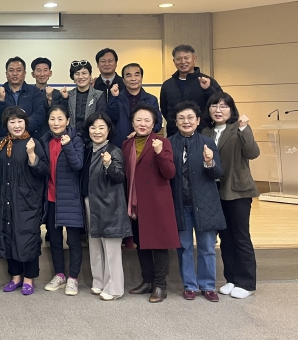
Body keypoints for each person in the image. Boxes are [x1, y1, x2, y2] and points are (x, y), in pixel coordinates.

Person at [201, 92, 260, 299]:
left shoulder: (238, 128)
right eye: (214, 105)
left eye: (224, 106)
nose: (218, 110)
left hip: (237, 190)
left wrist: (244, 128)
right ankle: (232, 279)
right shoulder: (206, 131)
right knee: (225, 237)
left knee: (241, 236)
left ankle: (247, 282)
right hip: (215, 191)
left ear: (231, 109)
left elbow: (253, 153)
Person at [122, 104, 179, 303]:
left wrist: (160, 153)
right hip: (136, 203)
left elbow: (170, 173)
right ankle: (147, 281)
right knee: (142, 243)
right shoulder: (127, 144)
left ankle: (160, 285)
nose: (143, 124)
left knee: (159, 244)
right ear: (132, 123)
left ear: (154, 123)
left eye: (147, 120)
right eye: (138, 120)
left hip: (156, 202)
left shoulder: (162, 142)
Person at [168, 101, 225, 302]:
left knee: (207, 247)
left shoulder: (207, 143)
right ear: (176, 121)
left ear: (198, 120)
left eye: (190, 117)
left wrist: (209, 162)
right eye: (181, 118)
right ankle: (190, 285)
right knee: (183, 247)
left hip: (205, 204)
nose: (186, 121)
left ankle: (208, 286)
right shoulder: (168, 143)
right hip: (180, 204)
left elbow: (218, 173)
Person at [0, 106, 48, 295]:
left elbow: (43, 171)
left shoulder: (33, 143)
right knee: (8, 235)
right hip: (5, 197)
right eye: (12, 121)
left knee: (27, 237)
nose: (16, 125)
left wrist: (32, 155)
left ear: (26, 123)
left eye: (20, 121)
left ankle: (29, 279)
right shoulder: (0, 144)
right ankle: (15, 277)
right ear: (6, 124)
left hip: (28, 200)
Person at [82, 112, 130, 301]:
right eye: (93, 127)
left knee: (111, 249)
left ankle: (115, 288)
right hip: (92, 203)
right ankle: (99, 281)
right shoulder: (88, 150)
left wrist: (109, 164)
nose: (97, 131)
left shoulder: (114, 150)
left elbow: (119, 176)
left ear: (109, 130)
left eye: (101, 127)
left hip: (110, 205)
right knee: (95, 245)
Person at [40, 105, 85, 295]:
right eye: (52, 118)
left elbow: (78, 165)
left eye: (60, 119)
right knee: (55, 239)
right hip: (50, 198)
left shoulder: (76, 140)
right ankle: (59, 274)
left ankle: (73, 278)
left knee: (73, 241)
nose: (56, 122)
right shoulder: (44, 141)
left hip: (70, 198)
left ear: (67, 121)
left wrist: (67, 146)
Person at [160, 45, 222, 136]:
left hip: (203, 133)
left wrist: (208, 89)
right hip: (174, 135)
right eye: (178, 59)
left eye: (186, 58)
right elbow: (165, 110)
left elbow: (220, 103)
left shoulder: (207, 81)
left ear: (194, 59)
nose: (183, 62)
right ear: (174, 61)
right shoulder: (167, 85)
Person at [106, 63, 162, 148]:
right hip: (119, 146)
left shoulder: (151, 99)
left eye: (137, 75)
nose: (133, 79)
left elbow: (158, 124)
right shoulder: (116, 97)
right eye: (128, 75)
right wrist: (114, 97)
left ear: (141, 77)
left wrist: (140, 132)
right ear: (123, 80)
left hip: (145, 145)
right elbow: (110, 119)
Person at [0, 56, 47, 140]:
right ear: (6, 74)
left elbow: (39, 114)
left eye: (19, 70)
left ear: (24, 73)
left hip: (30, 139)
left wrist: (21, 129)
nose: (15, 73)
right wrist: (1, 100)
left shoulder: (34, 92)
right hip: (5, 139)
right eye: (11, 70)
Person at [62, 60, 106, 134]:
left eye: (84, 73)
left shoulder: (98, 94)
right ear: (73, 77)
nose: (81, 77)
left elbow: (100, 117)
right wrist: (65, 99)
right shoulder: (68, 95)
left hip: (92, 135)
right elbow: (63, 116)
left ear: (90, 75)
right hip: (71, 136)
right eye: (77, 74)